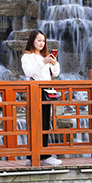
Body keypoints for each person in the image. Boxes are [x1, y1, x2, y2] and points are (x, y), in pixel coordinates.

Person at [21, 29, 62, 167]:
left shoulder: (45, 56)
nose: (41, 43)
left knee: (45, 123)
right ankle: (33, 155)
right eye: (39, 40)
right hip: (35, 91)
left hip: (47, 91)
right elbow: (29, 72)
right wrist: (43, 62)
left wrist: (54, 63)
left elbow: (55, 74)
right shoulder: (27, 56)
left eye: (43, 41)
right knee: (36, 123)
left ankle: (44, 154)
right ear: (32, 40)